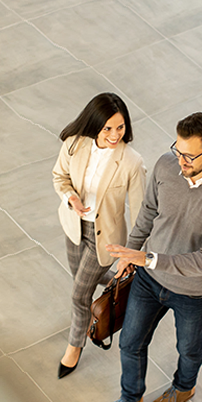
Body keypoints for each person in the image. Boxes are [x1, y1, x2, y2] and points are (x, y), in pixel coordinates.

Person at [91, 113, 202, 402]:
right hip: (149, 280)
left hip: (194, 291)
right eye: (177, 149)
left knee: (188, 348)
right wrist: (130, 254)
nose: (180, 161)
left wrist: (146, 257)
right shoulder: (167, 165)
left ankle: (183, 388)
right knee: (130, 342)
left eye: (189, 155)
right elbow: (149, 212)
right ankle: (131, 397)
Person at [52, 93, 146, 378]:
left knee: (80, 294)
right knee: (82, 281)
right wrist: (71, 198)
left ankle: (74, 348)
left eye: (120, 127)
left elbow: (142, 211)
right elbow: (60, 177)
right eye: (108, 128)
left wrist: (131, 253)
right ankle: (138, 282)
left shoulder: (131, 161)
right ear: (95, 125)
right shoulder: (74, 145)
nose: (115, 134)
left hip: (105, 238)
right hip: (75, 227)